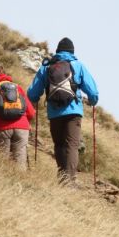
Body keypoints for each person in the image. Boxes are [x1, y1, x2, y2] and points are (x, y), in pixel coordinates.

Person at [27, 38, 99, 184]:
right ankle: (70, 181)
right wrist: (92, 101)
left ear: (58, 51)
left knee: (59, 145)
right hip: (73, 112)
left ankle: (62, 178)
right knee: (72, 145)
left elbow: (32, 93)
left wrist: (36, 98)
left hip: (54, 113)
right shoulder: (77, 66)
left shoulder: (47, 67)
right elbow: (93, 92)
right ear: (72, 52)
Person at [0, 65, 35, 169]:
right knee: (20, 166)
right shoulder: (17, 87)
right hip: (22, 129)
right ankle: (20, 184)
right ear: (5, 74)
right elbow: (31, 112)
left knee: (2, 165)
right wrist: (26, 123)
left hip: (1, 128)